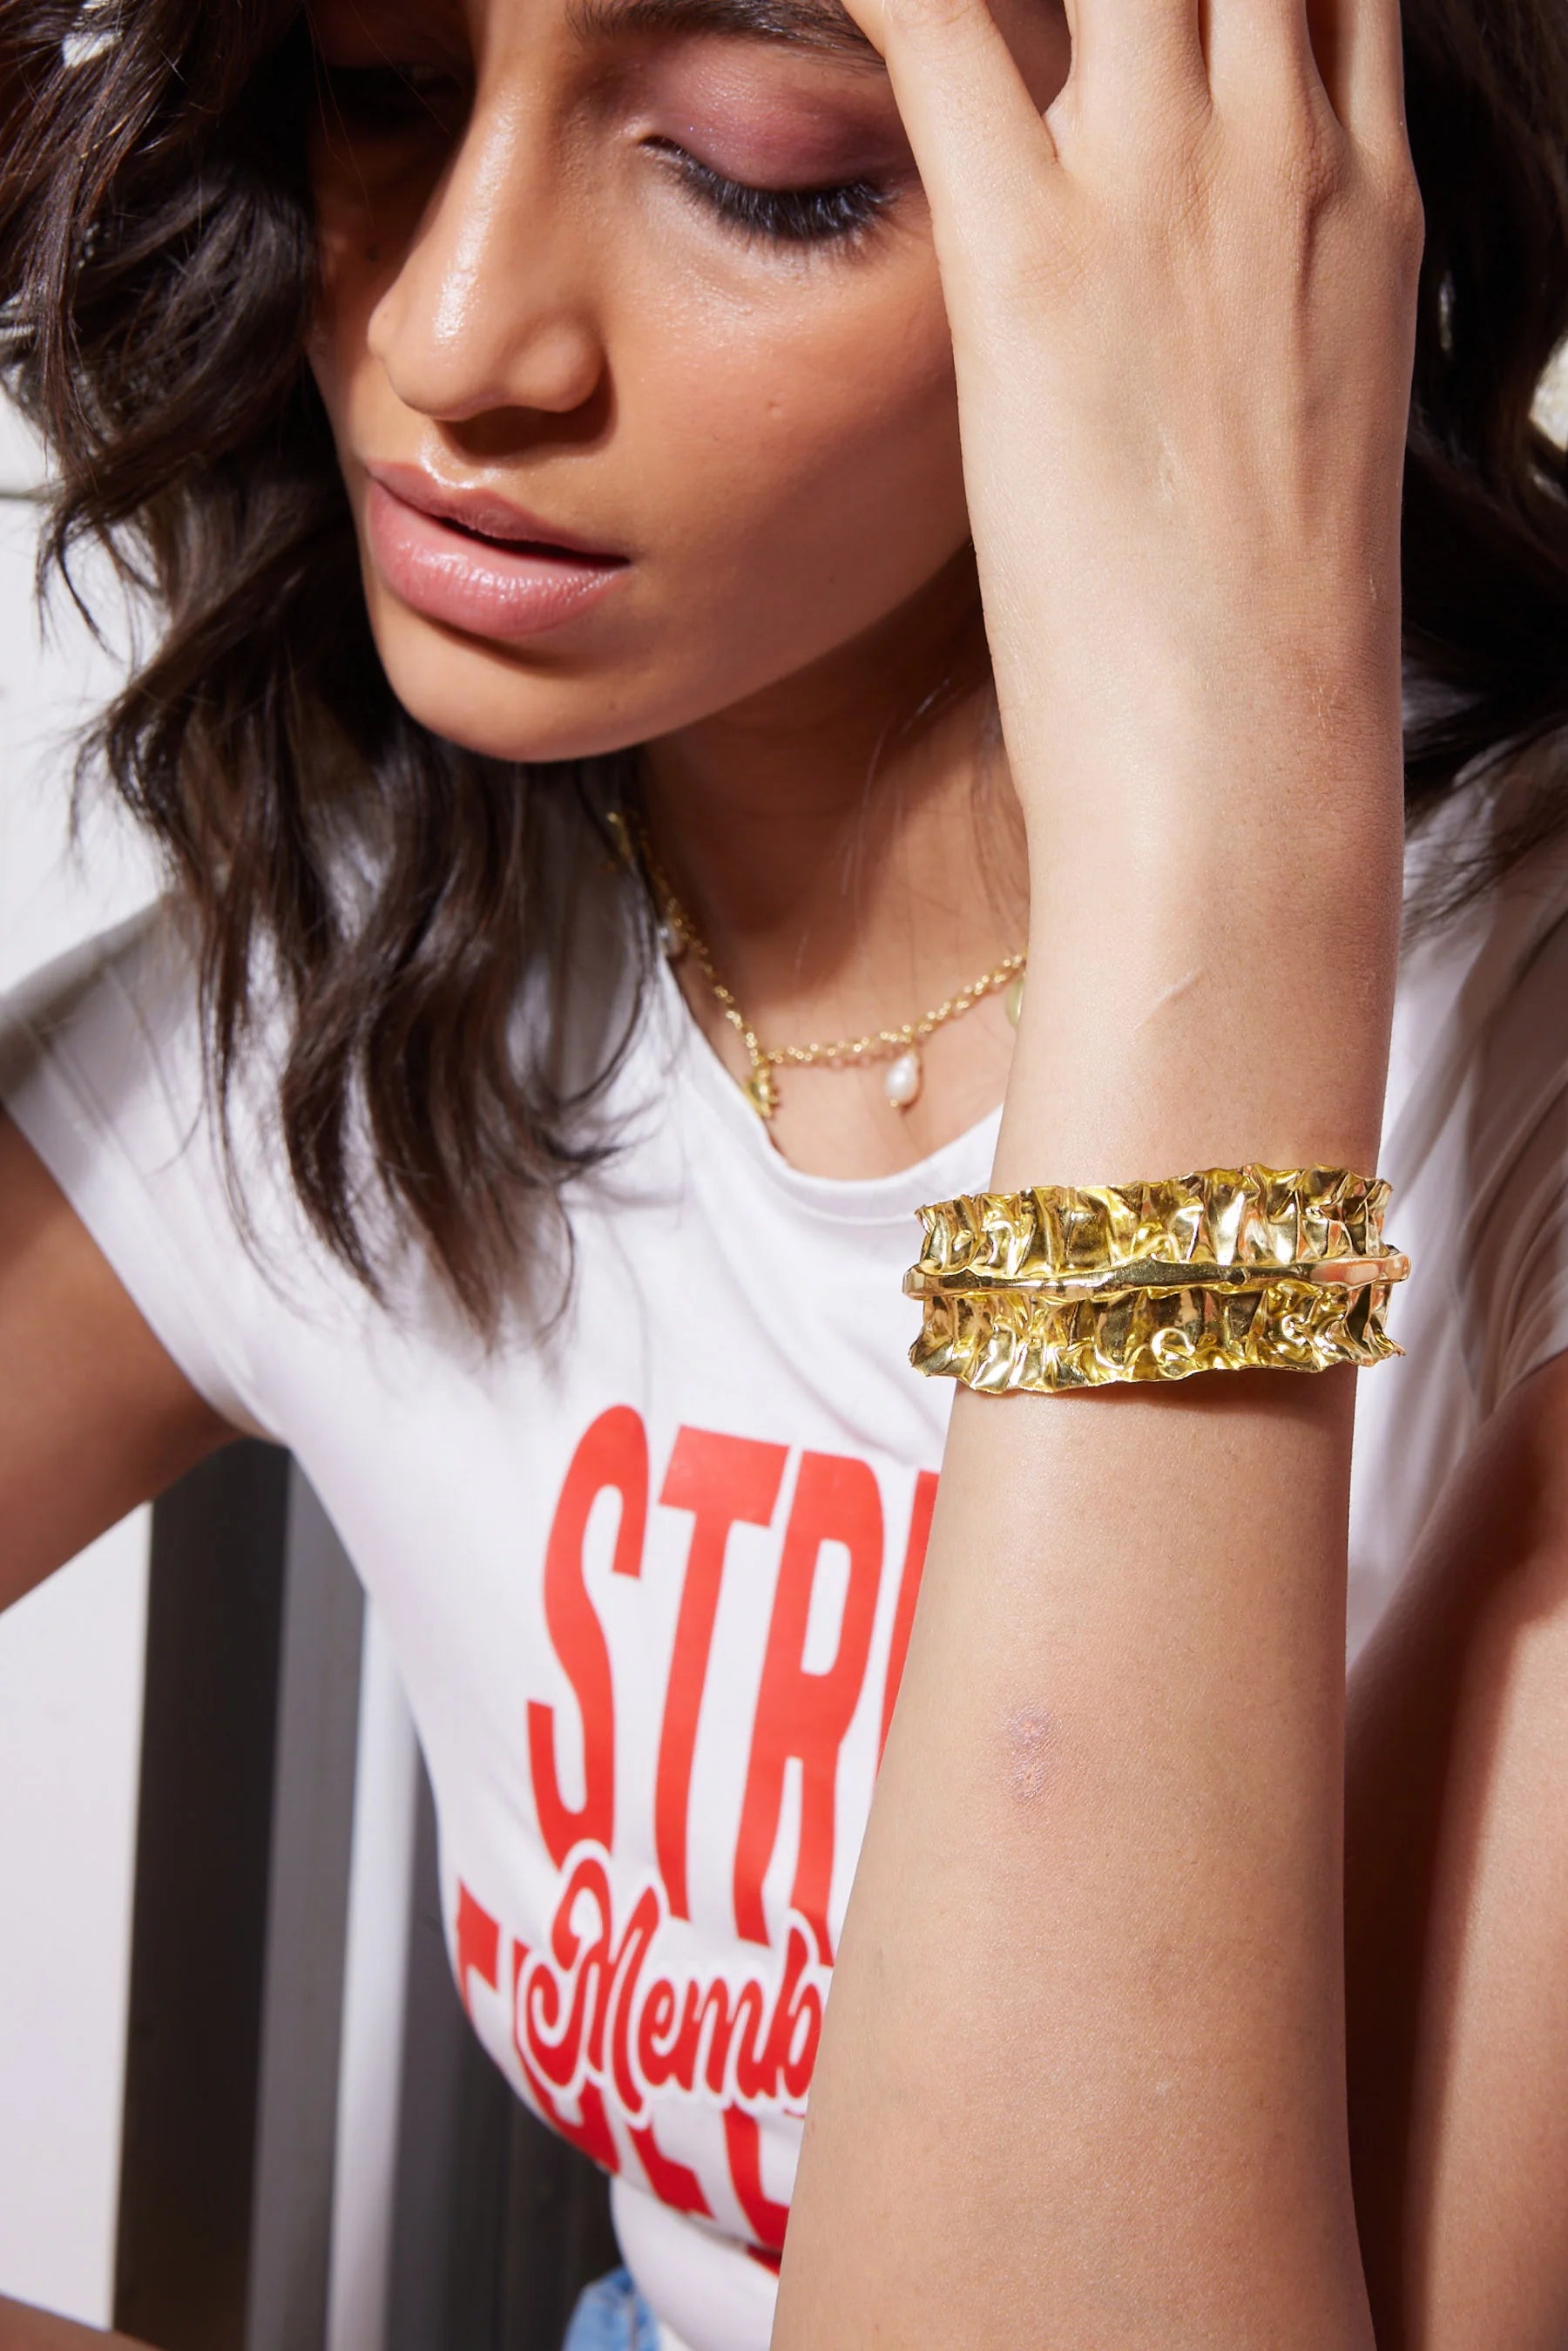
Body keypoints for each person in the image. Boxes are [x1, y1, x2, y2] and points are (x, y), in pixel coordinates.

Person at [1, 0, 1566, 2344]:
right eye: (384, 88)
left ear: (1268, 219)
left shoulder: (1519, 1066)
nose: (450, 331)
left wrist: (1222, 843)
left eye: (764, 172)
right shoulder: (365, 986)